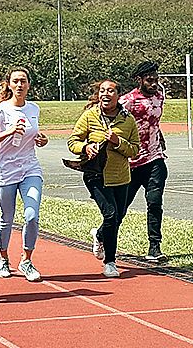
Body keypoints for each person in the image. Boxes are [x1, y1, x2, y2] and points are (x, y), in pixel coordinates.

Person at [67, 79, 139, 278]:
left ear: (118, 96)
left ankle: (99, 235)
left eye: (110, 91)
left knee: (118, 217)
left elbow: (135, 150)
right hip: (96, 176)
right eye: (102, 91)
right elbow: (73, 141)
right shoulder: (90, 116)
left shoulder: (128, 119)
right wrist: (85, 147)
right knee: (110, 215)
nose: (105, 94)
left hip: (121, 177)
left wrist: (117, 142)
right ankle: (110, 261)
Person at [0, 67, 48, 282]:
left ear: (28, 85)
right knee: (7, 217)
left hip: (30, 168)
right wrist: (9, 131)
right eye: (15, 81)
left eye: (23, 81)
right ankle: (3, 257)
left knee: (32, 215)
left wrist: (42, 140)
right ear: (9, 84)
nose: (19, 85)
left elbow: (35, 135)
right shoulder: (0, 110)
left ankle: (26, 259)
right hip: (5, 170)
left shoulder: (34, 108)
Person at [118, 61, 168, 262]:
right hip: (131, 162)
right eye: (149, 80)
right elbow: (111, 119)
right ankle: (103, 235)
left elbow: (154, 122)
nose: (154, 83)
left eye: (156, 79)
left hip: (155, 158)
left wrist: (160, 136)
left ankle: (154, 247)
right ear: (139, 80)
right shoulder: (128, 101)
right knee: (121, 208)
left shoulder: (159, 97)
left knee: (154, 202)